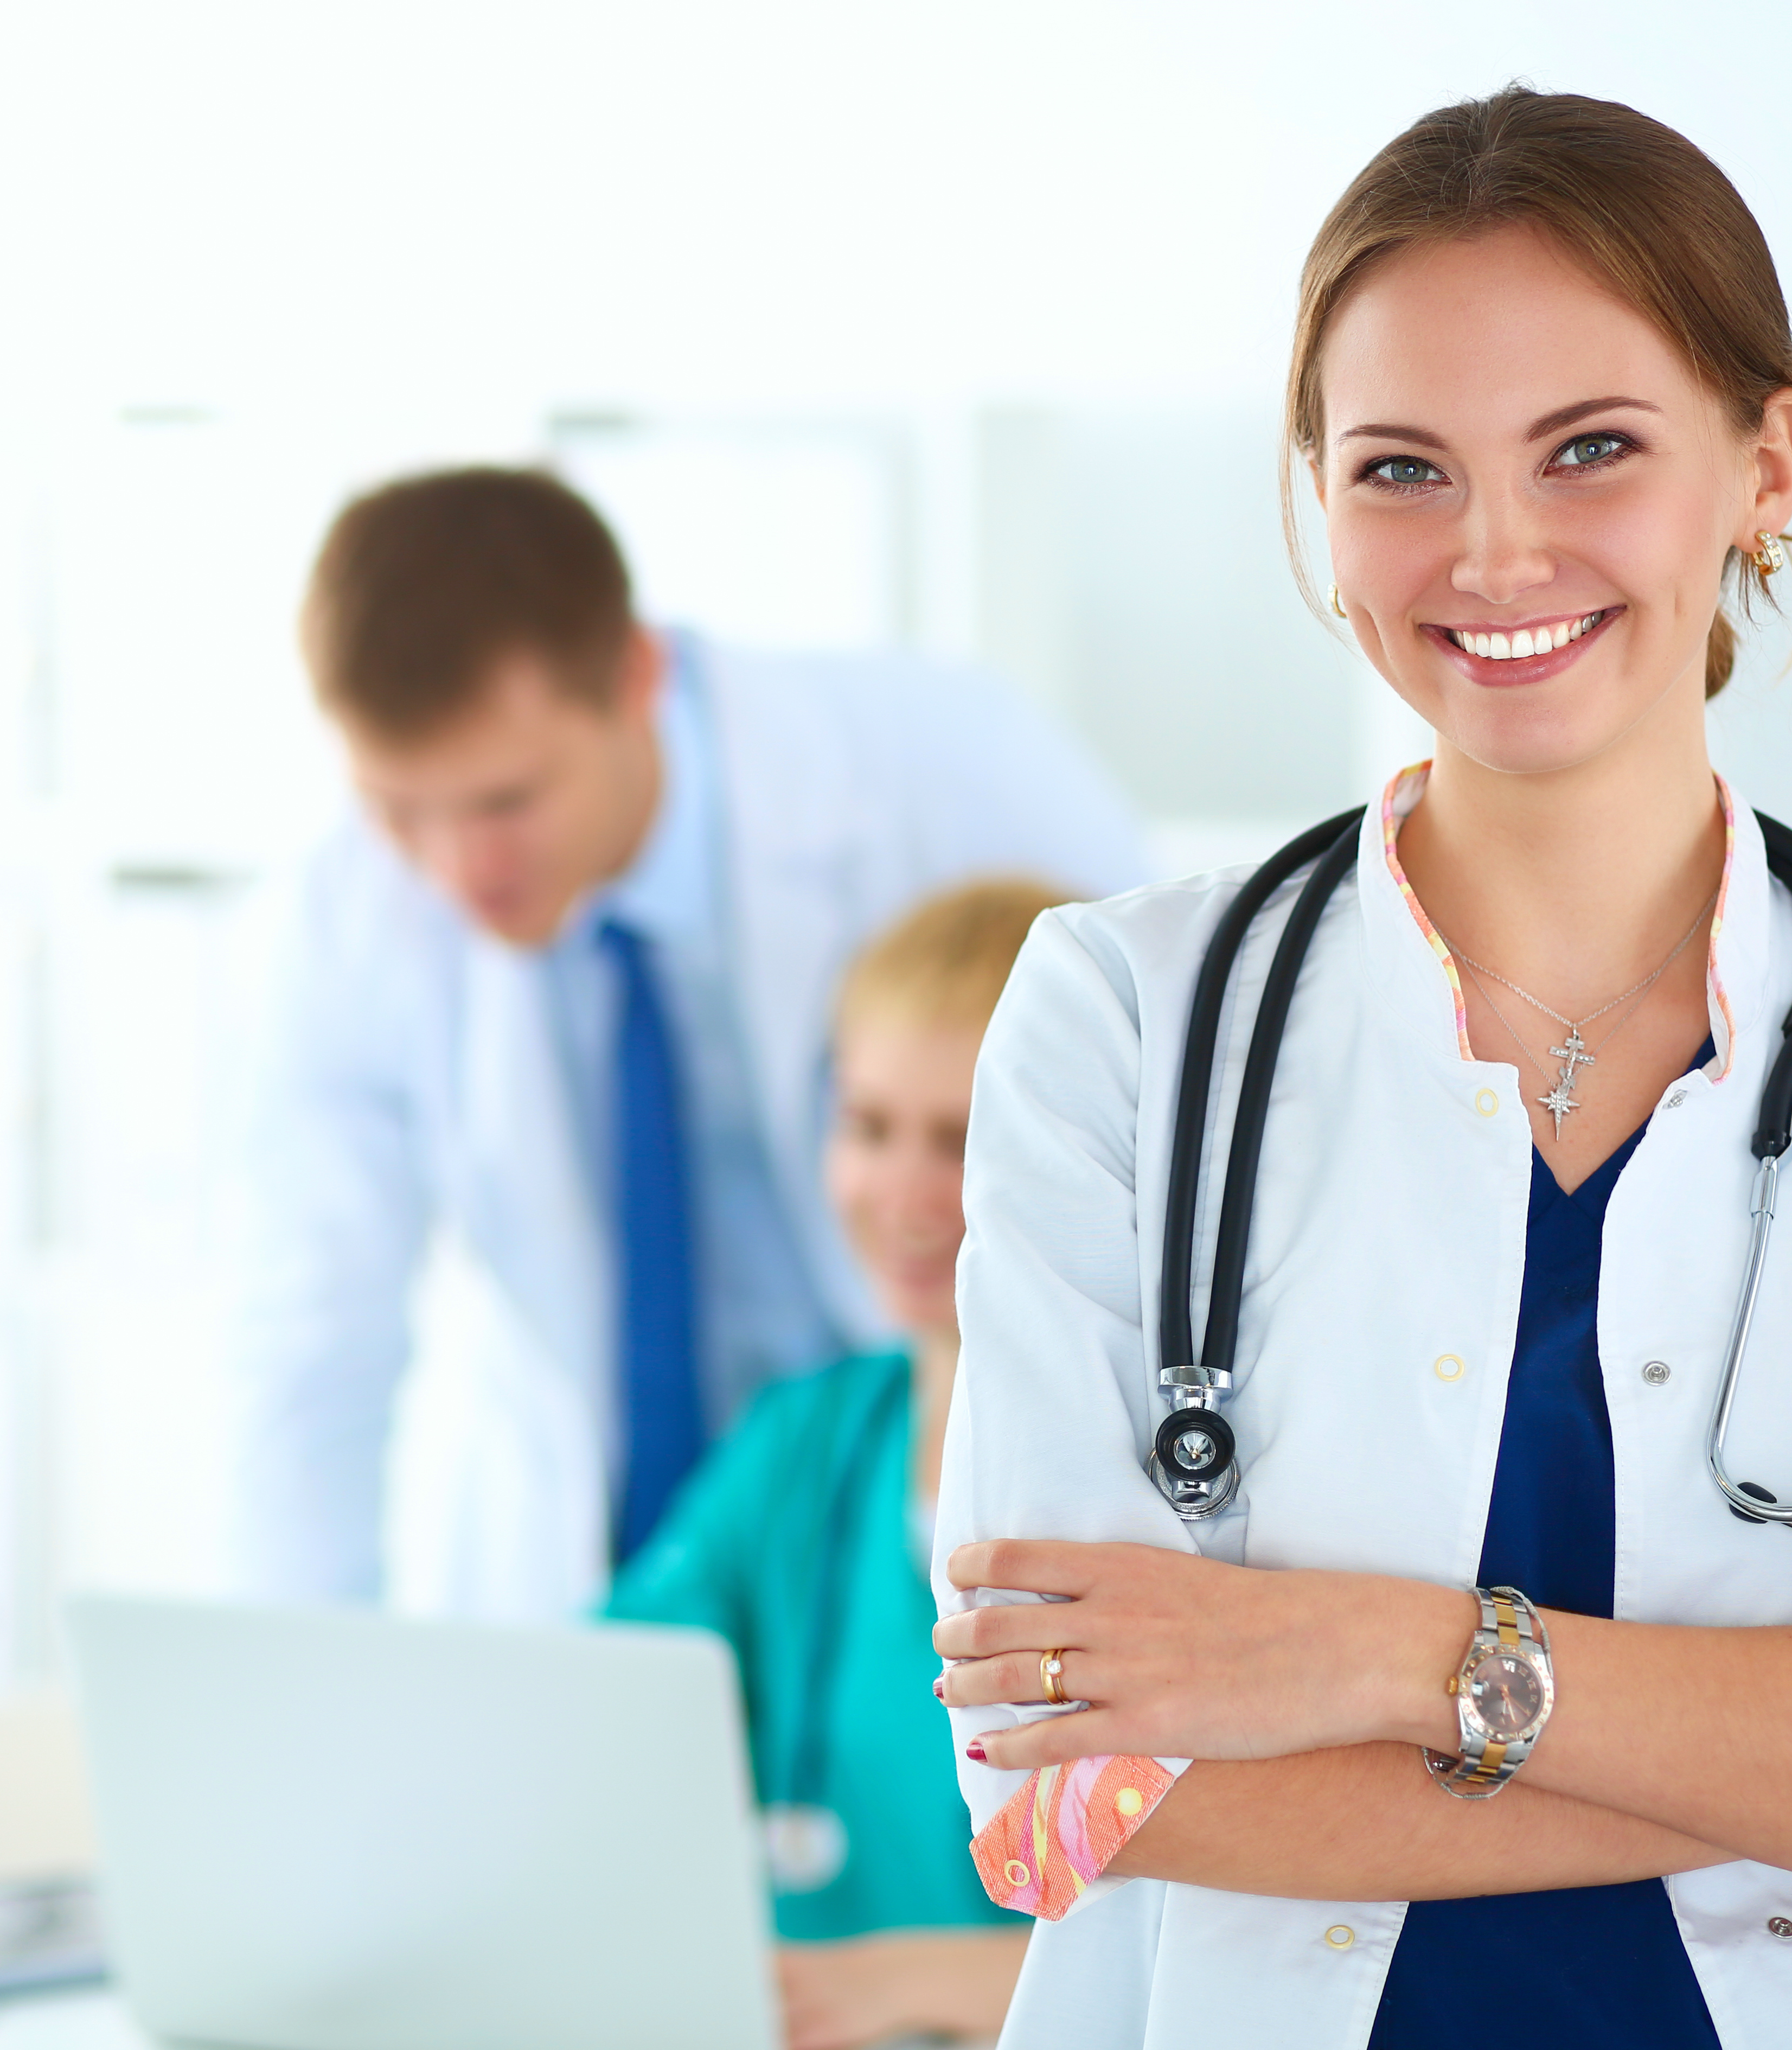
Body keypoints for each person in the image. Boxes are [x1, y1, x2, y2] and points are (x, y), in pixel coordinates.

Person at [925, 88, 1792, 2048]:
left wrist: (1370, 1660)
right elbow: (1061, 1787)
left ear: (1761, 464)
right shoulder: (1119, 1016)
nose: (1492, 551)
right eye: (1398, 470)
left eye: (1588, 449)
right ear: (1316, 502)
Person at [231, 467, 1147, 1619]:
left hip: (933, 1504)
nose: (455, 870)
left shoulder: (954, 773)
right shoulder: (348, 914)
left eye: (505, 802)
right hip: (610, 1547)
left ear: (635, 675)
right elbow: (313, 1334)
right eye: (399, 809)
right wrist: (301, 1685)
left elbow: (1182, 1142)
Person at [609, 879, 1057, 2050]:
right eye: (866, 1128)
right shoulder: (803, 1445)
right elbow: (590, 1721)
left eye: (960, 1141)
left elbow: (1246, 1946)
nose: (901, 1196)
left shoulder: (1181, 1496)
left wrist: (890, 1984)